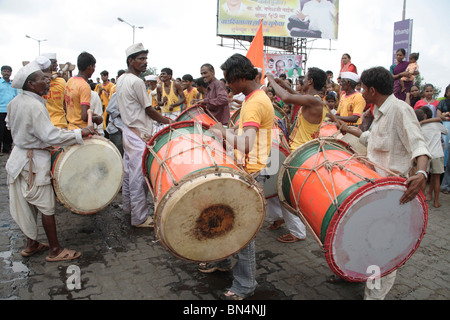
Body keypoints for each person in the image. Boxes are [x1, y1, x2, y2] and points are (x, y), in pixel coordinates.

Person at [336, 66, 430, 300]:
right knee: (367, 239)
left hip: (394, 195)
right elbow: (371, 139)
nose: (360, 92)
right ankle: (358, 275)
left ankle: (374, 297)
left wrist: (422, 174)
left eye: (362, 89)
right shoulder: (378, 112)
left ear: (371, 89)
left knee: (385, 246)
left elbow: (419, 146)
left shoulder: (400, 110)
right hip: (371, 191)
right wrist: (348, 130)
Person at [5, 61, 95, 262]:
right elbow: (50, 136)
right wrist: (81, 132)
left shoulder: (15, 103)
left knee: (28, 204)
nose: (47, 82)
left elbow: (11, 127)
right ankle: (55, 250)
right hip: (33, 162)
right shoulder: (34, 105)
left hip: (18, 158)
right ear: (30, 84)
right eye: (42, 79)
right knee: (46, 205)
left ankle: (31, 244)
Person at [203, 53, 274, 300]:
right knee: (226, 218)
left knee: (243, 232)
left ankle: (245, 285)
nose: (227, 86)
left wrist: (222, 133)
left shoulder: (255, 103)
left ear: (238, 77)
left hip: (253, 173)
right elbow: (244, 133)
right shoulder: (253, 98)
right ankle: (223, 263)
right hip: (247, 169)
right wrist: (228, 130)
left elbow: (245, 144)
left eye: (228, 80)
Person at [265, 67, 328, 242]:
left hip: (298, 153)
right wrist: (282, 83)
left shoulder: (315, 101)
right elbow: (292, 93)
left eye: (305, 78)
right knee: (272, 184)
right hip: (294, 150)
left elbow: (286, 97)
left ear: (310, 82)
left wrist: (271, 80)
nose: (301, 81)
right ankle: (277, 217)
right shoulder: (312, 99)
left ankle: (298, 232)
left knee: (284, 192)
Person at [116, 43, 171, 228]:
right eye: (141, 59)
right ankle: (139, 218)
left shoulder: (121, 79)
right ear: (131, 60)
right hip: (139, 133)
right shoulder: (137, 81)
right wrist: (168, 122)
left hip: (129, 131)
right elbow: (149, 110)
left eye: (146, 59)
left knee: (129, 173)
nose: (145, 62)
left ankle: (128, 208)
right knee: (139, 177)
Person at [415, 107, 447, 208]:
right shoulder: (437, 125)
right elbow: (446, 131)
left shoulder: (419, 127)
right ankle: (436, 201)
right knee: (436, 178)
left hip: (425, 155)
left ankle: (421, 201)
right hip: (437, 154)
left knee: (423, 178)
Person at [65, 52, 103, 130]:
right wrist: (97, 119)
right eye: (94, 67)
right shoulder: (84, 86)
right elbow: (84, 116)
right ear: (89, 67)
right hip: (81, 130)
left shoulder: (70, 81)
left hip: (70, 127)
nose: (94, 70)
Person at [39, 53, 68, 130]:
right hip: (54, 125)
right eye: (54, 63)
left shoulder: (36, 82)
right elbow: (66, 105)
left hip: (47, 125)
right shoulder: (61, 81)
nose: (56, 65)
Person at [105, 71, 126, 157]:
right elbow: (109, 109)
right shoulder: (116, 95)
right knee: (118, 151)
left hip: (125, 128)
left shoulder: (129, 95)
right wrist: (120, 114)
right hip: (116, 128)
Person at [0, 65, 17, 156]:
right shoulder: (0, 83)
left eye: (8, 71)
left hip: (10, 111)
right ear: (1, 72)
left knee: (9, 130)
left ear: (11, 73)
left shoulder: (13, 85)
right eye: (4, 71)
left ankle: (7, 149)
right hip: (1, 110)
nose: (6, 73)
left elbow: (16, 97)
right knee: (1, 130)